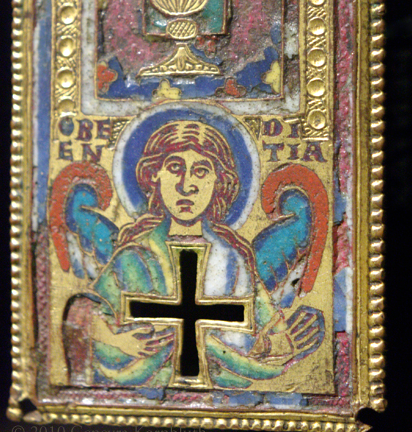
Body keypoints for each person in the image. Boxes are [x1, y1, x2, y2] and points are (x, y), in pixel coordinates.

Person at [63, 120, 323, 389]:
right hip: (145, 387)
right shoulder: (134, 258)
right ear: (154, 175)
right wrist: (118, 340)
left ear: (218, 182)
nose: (186, 185)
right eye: (175, 168)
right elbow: (85, 315)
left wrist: (280, 346)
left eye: (201, 171)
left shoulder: (233, 262)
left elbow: (271, 335)